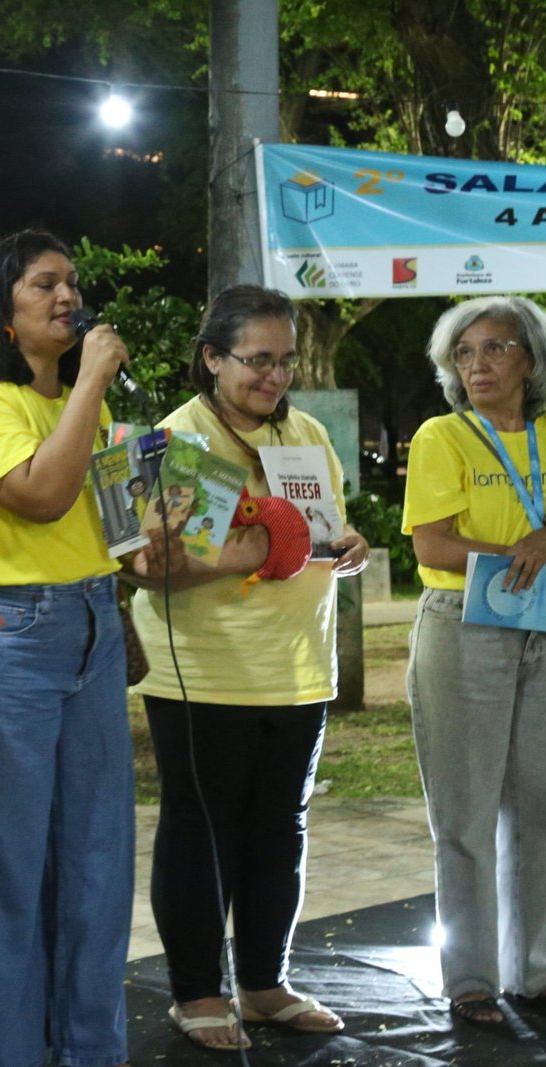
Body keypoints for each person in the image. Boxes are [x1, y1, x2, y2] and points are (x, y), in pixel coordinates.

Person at [124, 284, 370, 1052]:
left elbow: (321, 529)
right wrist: (268, 548)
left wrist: (346, 544)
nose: (275, 376)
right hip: (208, 672)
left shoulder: (304, 433)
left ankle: (265, 984)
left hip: (299, 669)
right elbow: (158, 564)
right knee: (202, 832)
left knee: (279, 832)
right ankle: (197, 992)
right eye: (258, 360)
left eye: (285, 361)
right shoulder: (183, 440)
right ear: (212, 358)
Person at [0, 230, 135, 1067]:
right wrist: (90, 381)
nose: (68, 296)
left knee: (97, 861)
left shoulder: (89, 404)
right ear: (0, 307)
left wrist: (165, 525)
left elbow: (113, 527)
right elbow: (42, 495)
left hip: (94, 625)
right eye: (45, 283)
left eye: (72, 282)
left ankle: (89, 1050)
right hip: (7, 636)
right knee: (1, 865)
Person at [401, 295, 546, 1025]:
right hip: (465, 627)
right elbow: (432, 545)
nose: (477, 364)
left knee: (542, 811)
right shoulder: (442, 435)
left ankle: (532, 972)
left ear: (532, 359)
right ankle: (470, 980)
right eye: (463, 353)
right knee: (465, 814)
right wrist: (536, 550)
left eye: (495, 348)